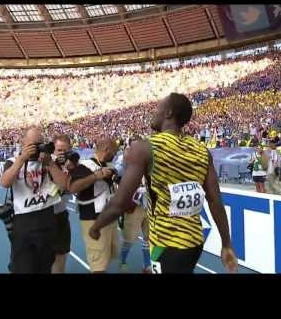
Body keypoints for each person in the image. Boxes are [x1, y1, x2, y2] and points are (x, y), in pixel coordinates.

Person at [88, 93, 237, 274]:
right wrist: (226, 244)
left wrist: (96, 227)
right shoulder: (201, 150)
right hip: (194, 243)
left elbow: (119, 202)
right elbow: (215, 200)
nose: (153, 112)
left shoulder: (146, 148)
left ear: (168, 113)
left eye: (157, 108)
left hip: (166, 244)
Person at [0, 126, 69, 273]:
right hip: (23, 222)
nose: (37, 148)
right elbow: (5, 183)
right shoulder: (13, 161)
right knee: (22, 267)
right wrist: (22, 159)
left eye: (40, 143)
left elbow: (64, 185)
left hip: (48, 219)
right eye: (33, 144)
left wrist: (50, 163)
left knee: (44, 267)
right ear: (23, 142)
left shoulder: (51, 160)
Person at [68, 138, 119, 273]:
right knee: (98, 263)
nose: (116, 155)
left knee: (105, 257)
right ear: (107, 149)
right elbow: (72, 188)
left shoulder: (109, 165)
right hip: (93, 218)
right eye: (115, 151)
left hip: (108, 217)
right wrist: (96, 176)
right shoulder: (86, 165)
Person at [118, 140, 151, 273]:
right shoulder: (123, 163)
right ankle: (122, 261)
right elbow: (119, 180)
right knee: (129, 239)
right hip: (134, 207)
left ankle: (147, 265)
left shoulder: (150, 163)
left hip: (149, 205)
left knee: (149, 237)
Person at [50, 134, 73, 274]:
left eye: (65, 150)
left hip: (61, 214)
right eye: (59, 150)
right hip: (43, 215)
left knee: (61, 251)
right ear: (53, 149)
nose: (62, 153)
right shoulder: (46, 163)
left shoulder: (73, 165)